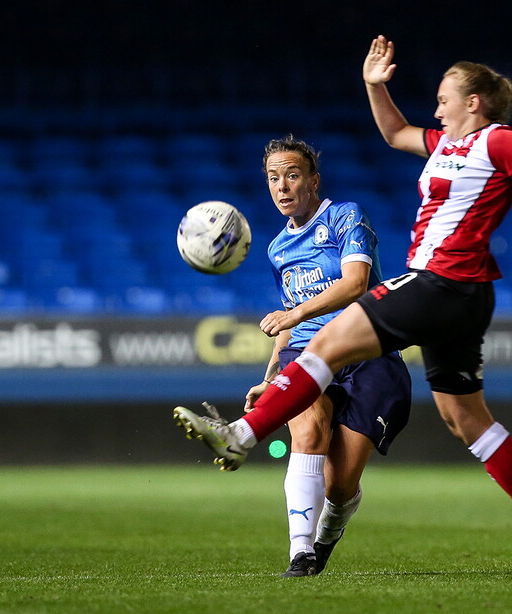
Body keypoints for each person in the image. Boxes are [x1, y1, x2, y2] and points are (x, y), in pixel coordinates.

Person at [179, 36, 512, 577]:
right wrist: (375, 85)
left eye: (445, 99)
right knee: (464, 418)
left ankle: (241, 435)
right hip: (467, 295)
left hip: (440, 279)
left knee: (325, 343)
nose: (437, 109)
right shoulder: (445, 145)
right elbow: (395, 132)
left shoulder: (499, 141)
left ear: (474, 102)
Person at [174, 135, 411, 577]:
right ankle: (300, 552)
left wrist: (295, 312)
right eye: (273, 178)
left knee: (340, 486)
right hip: (307, 351)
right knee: (309, 432)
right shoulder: (277, 248)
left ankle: (326, 534)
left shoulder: (345, 216)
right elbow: (288, 323)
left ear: (313, 181)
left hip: (367, 351)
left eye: (292, 175)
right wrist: (271, 378)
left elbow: (356, 283)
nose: (282, 186)